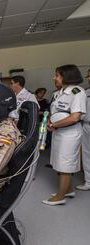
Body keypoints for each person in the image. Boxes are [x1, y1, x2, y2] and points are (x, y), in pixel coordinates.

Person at [43, 65, 87, 206]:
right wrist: (50, 122)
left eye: (57, 75)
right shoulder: (58, 93)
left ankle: (60, 197)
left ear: (66, 76)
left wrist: (54, 125)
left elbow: (75, 117)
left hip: (70, 134)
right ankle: (68, 190)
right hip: (59, 132)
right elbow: (54, 112)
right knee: (58, 161)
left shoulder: (77, 92)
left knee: (65, 164)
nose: (54, 78)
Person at [76, 68, 90, 191]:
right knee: (86, 154)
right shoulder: (86, 92)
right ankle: (88, 181)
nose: (88, 78)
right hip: (87, 125)